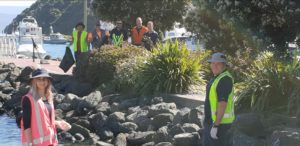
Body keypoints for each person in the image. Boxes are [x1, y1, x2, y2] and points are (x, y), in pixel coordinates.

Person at [21, 68, 71, 146]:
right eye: (39, 79)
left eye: (44, 79)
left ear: (48, 81)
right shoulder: (28, 99)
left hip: (52, 141)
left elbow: (46, 120)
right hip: (37, 143)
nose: (42, 82)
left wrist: (59, 123)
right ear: (34, 81)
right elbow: (26, 124)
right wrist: (30, 144)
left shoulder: (49, 98)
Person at [203, 52, 235, 146]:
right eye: (213, 63)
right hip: (211, 122)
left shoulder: (224, 80)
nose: (214, 66)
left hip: (221, 126)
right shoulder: (217, 78)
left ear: (224, 65)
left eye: (218, 64)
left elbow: (222, 104)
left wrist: (216, 126)